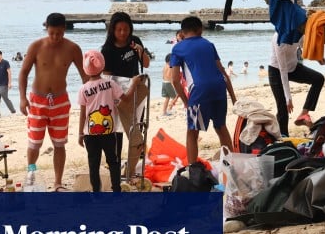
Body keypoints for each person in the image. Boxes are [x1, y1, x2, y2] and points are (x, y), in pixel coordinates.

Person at [19, 13, 88, 192]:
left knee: (59, 143)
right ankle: (31, 176)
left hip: (60, 101)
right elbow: (23, 72)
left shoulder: (73, 48)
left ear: (64, 29)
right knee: (34, 143)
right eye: (52, 33)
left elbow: (84, 76)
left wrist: (92, 97)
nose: (56, 37)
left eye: (59, 33)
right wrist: (22, 98)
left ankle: (58, 182)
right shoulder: (36, 46)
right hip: (37, 101)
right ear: (46, 29)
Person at [168, 16, 237, 166]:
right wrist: (233, 97)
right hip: (219, 88)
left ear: (182, 32)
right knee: (221, 127)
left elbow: (174, 80)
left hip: (199, 92)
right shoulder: (208, 44)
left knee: (192, 132)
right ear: (200, 30)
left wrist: (186, 102)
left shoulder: (178, 48)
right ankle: (231, 164)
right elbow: (223, 73)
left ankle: (193, 169)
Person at [100, 11, 151, 181]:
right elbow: (106, 78)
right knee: (117, 132)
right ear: (113, 30)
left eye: (126, 29)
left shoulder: (135, 41)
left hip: (136, 90)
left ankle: (131, 167)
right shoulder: (107, 49)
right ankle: (115, 166)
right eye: (119, 30)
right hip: (118, 94)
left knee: (135, 129)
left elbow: (146, 64)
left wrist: (141, 51)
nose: (123, 33)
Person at [77, 50, 123, 192]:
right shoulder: (110, 84)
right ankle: (116, 189)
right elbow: (121, 100)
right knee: (113, 161)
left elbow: (83, 114)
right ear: (102, 65)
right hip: (108, 131)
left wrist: (80, 134)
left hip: (90, 133)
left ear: (85, 69)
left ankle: (96, 192)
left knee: (93, 163)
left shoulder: (83, 89)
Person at [268, 32, 325, 135]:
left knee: (318, 79)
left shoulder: (298, 32)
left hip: (293, 67)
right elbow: (283, 71)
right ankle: (284, 137)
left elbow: (305, 47)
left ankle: (304, 114)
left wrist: (318, 57)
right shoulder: (278, 38)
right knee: (283, 108)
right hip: (276, 70)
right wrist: (288, 98)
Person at [0, 50, 16, 117]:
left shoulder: (5, 63)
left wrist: (9, 83)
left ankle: (13, 111)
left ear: (1, 55)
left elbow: (9, 73)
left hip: (3, 85)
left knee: (5, 99)